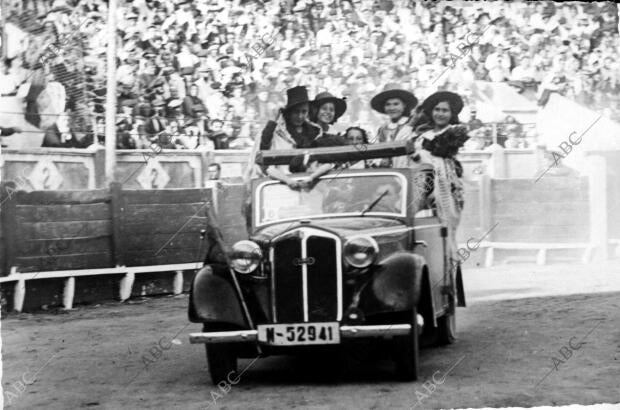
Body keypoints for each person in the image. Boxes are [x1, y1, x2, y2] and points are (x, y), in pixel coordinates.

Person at [415, 91, 469, 266]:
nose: (440, 113)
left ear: (452, 113)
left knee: (446, 226)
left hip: (446, 183)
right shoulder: (423, 135)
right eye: (437, 109)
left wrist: (418, 154)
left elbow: (440, 152)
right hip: (424, 182)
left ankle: (450, 269)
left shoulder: (455, 132)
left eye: (445, 110)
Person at [370, 83, 418, 168]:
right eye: (388, 104)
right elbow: (378, 151)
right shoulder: (383, 129)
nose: (392, 108)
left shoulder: (413, 125)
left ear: (404, 105)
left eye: (396, 104)